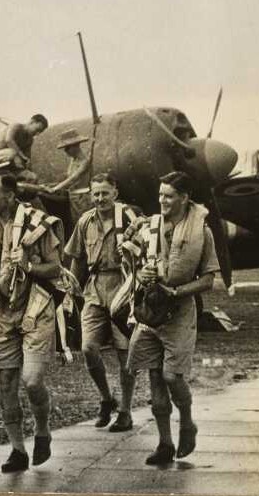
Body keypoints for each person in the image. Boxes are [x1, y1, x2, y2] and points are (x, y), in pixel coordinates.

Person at [0, 173, 64, 473]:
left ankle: (42, 430)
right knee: (6, 384)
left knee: (32, 380)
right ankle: (17, 450)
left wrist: (29, 266)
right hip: (1, 313)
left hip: (35, 307)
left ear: (9, 195)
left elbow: (56, 267)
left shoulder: (36, 222)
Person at [124, 170, 219, 465]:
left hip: (179, 312)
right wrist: (142, 273)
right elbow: (132, 264)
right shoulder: (148, 227)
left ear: (184, 198)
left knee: (172, 375)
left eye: (169, 196)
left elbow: (208, 279)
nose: (162, 201)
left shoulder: (201, 232)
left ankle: (187, 423)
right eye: (161, 195)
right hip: (150, 312)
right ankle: (165, 443)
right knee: (154, 376)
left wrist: (176, 292)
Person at [62, 173, 141, 432]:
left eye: (105, 193)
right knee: (88, 348)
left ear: (115, 193)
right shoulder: (86, 221)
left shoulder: (129, 216)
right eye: (95, 193)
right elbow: (76, 257)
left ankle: (126, 412)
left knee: (125, 353)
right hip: (95, 288)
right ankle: (107, 398)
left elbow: (148, 246)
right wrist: (72, 290)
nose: (100, 198)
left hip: (123, 286)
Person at [42, 127, 92, 223]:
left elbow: (73, 178)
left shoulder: (84, 162)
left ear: (76, 145)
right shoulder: (73, 160)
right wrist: (51, 185)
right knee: (75, 223)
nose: (65, 151)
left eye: (67, 148)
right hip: (73, 197)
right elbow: (69, 177)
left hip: (83, 198)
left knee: (83, 223)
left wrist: (56, 188)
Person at [0, 114, 49, 180]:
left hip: (12, 165)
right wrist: (22, 156)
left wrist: (28, 166)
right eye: (37, 129)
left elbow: (27, 158)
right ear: (32, 122)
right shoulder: (15, 126)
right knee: (12, 153)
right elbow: (9, 141)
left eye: (40, 132)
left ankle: (12, 180)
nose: (37, 133)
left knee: (33, 177)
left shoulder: (30, 140)